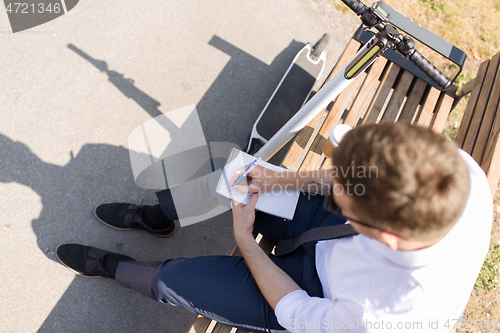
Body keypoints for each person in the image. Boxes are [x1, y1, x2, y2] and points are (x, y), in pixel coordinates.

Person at [56, 122, 492, 333]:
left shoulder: (380, 320)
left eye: (345, 199)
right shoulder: (457, 173)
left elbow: (297, 311)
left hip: (315, 294)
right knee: (234, 175)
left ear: (384, 234)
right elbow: (351, 182)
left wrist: (246, 241)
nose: (334, 191)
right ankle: (159, 218)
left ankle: (116, 267)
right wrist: (283, 180)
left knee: (170, 280)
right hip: (338, 240)